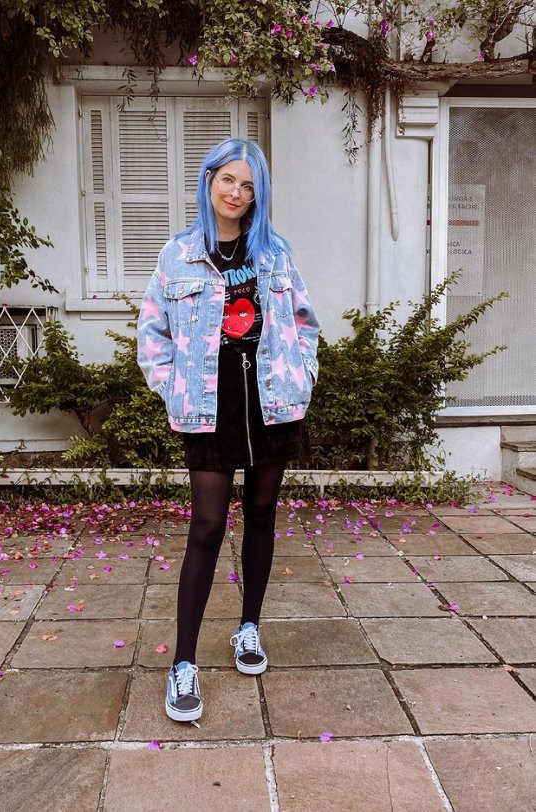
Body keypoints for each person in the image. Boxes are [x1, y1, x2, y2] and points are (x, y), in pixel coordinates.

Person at [137, 138, 320, 722]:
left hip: (270, 401)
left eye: (248, 185)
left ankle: (248, 627)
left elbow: (304, 323)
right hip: (209, 405)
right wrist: (171, 386)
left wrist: (303, 374)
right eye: (228, 180)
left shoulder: (275, 254)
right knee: (208, 525)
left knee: (262, 515)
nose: (236, 193)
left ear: (257, 194)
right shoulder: (178, 255)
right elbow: (153, 334)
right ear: (208, 180)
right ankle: (183, 663)